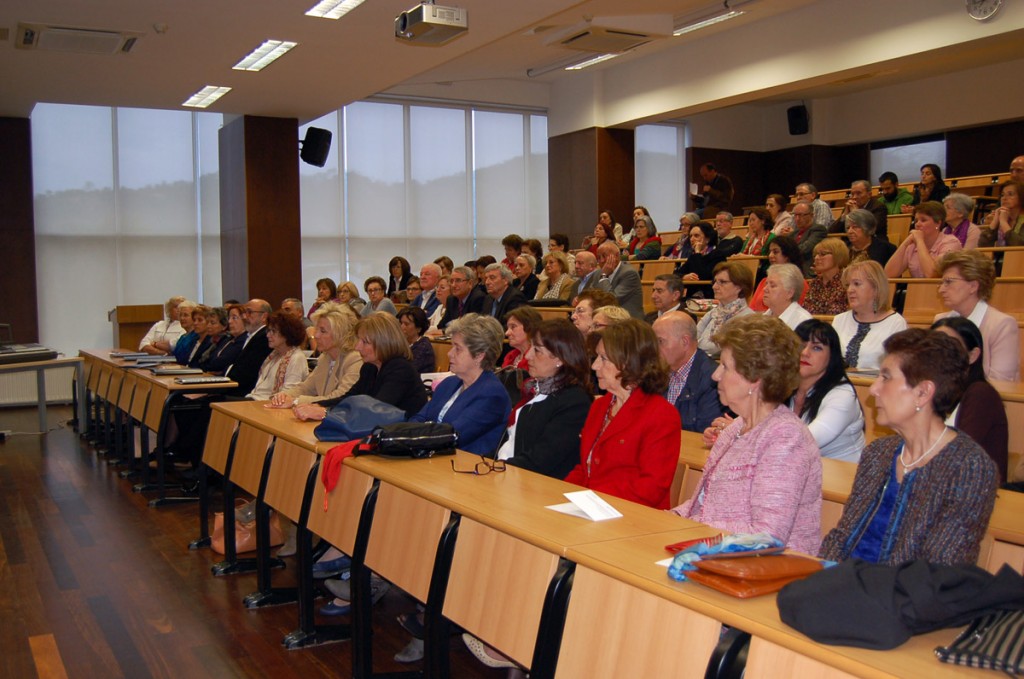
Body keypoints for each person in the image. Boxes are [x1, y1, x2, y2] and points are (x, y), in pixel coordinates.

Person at [819, 329, 998, 566]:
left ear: (922, 393)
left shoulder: (969, 466)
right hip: (845, 586)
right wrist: (821, 575)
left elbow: (938, 569)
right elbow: (842, 536)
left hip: (905, 598)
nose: (873, 389)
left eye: (886, 377)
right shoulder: (879, 453)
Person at [673, 314, 821, 555]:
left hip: (768, 570)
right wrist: (666, 520)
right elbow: (705, 505)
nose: (715, 375)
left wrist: (691, 529)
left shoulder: (786, 439)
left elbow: (768, 535)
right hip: (720, 554)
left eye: (725, 367)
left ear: (755, 379)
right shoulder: (736, 428)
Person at [564, 320, 681, 509]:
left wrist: (591, 501)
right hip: (593, 508)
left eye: (603, 358)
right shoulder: (600, 406)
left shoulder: (661, 415)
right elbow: (586, 469)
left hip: (631, 516)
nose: (594, 366)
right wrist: (560, 494)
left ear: (628, 362)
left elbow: (651, 487)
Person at [498, 319, 593, 478]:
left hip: (532, 485)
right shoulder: (535, 389)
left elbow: (540, 460)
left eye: (537, 350)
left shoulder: (574, 402)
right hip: (508, 473)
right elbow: (508, 443)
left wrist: (494, 469)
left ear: (559, 358)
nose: (528, 356)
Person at [408, 314, 512, 455]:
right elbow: (418, 418)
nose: (449, 354)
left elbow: (453, 435)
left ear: (479, 355)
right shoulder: (449, 383)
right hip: (432, 459)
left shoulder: (492, 394)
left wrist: (421, 432)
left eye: (457, 348)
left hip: (464, 469)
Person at [295, 312, 428, 420]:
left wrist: (325, 413)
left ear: (383, 342)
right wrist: (314, 405)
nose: (357, 347)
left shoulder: (400, 369)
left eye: (365, 342)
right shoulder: (370, 367)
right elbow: (349, 399)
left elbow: (377, 410)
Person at [931, 317, 1009, 481]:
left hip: (973, 494)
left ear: (973, 355)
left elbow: (958, 456)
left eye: (948, 346)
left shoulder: (981, 394)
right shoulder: (930, 392)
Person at [933, 249, 1020, 381]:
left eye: (949, 282)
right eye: (941, 282)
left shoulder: (1001, 325)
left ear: (973, 286)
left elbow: (1001, 382)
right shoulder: (941, 320)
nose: (941, 289)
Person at [791, 320, 865, 461]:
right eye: (801, 345)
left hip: (845, 478)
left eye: (817, 348)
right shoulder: (785, 386)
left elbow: (804, 442)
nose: (805, 353)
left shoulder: (843, 396)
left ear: (832, 357)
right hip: (802, 473)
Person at [268, 302, 362, 407]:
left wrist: (295, 401)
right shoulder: (324, 358)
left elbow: (339, 398)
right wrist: (283, 395)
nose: (316, 335)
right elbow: (306, 387)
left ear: (341, 334)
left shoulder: (355, 359)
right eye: (316, 329)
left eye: (323, 331)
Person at [653, 311, 722, 432]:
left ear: (684, 342)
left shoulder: (712, 379)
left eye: (660, 341)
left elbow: (703, 434)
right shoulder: (655, 371)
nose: (654, 348)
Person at [832, 260, 907, 371]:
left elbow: (898, 369)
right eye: (848, 285)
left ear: (876, 289)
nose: (849, 290)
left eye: (857, 284)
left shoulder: (895, 323)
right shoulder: (839, 320)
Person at [885, 201, 962, 279]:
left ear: (938, 223)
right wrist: (905, 243)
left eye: (923, 220)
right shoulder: (912, 246)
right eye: (916, 221)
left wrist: (920, 241)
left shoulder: (951, 243)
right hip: (918, 290)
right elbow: (889, 274)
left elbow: (932, 274)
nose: (917, 224)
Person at [696, 261, 755, 357]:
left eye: (722, 282)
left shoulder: (749, 319)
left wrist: (699, 343)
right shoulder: (713, 313)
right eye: (715, 281)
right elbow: (693, 338)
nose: (714, 287)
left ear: (739, 287)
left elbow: (718, 348)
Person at [246, 311, 309, 400]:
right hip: (254, 399)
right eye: (268, 331)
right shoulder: (273, 355)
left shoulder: (296, 358)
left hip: (267, 404)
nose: (268, 335)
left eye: (273, 331)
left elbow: (289, 393)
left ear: (287, 333)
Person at [673, 221, 726, 299]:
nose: (692, 239)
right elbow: (675, 274)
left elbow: (702, 276)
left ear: (707, 239)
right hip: (691, 298)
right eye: (690, 236)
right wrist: (684, 276)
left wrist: (697, 253)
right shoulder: (693, 256)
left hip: (709, 296)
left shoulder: (718, 255)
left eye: (696, 236)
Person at [595, 241, 644, 319]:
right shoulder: (599, 273)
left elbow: (611, 300)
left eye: (604, 256)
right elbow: (591, 294)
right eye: (598, 257)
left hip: (628, 321)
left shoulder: (629, 273)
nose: (601, 261)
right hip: (607, 318)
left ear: (617, 256)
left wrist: (604, 277)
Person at [804, 238, 850, 315]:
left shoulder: (847, 283)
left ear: (837, 255)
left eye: (823, 254)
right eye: (815, 255)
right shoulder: (815, 283)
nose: (816, 258)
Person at [762, 263, 813, 330]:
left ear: (789, 293)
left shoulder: (803, 322)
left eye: (772, 286)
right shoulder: (762, 318)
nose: (765, 289)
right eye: (766, 284)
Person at [439, 266, 485, 331]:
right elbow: (442, 324)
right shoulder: (451, 299)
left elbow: (470, 327)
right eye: (451, 281)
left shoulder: (478, 298)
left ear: (470, 283)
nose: (453, 285)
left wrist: (445, 331)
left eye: (458, 280)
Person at [981, 179, 1024, 246]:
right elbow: (982, 245)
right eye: (1002, 195)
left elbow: (1019, 246)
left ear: (1021, 197)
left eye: (1010, 194)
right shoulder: (1001, 217)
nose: (1004, 198)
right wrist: (995, 222)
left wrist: (1004, 223)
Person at [789, 202, 827, 276]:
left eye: (801, 215)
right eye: (795, 215)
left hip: (807, 270)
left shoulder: (818, 229)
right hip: (792, 269)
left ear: (811, 215)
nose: (797, 219)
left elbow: (805, 249)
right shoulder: (793, 233)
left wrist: (787, 252)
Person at [396, 306, 436, 373]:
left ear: (418, 328)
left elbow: (407, 372)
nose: (402, 327)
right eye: (401, 323)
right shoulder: (401, 343)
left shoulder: (424, 347)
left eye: (406, 324)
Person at [501, 305, 540, 371]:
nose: (507, 333)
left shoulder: (537, 358)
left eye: (513, 327)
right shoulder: (510, 357)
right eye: (507, 328)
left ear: (529, 327)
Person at [171, 300, 199, 364]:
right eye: (180, 315)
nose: (182, 318)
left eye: (186, 315)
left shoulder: (196, 336)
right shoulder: (183, 337)